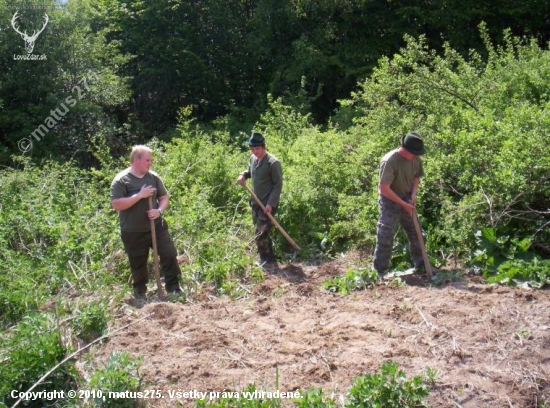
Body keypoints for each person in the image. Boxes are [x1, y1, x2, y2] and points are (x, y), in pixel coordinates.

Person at [111, 145, 182, 298]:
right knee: (138, 262)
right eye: (147, 160)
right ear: (136, 160)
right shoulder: (121, 180)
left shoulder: (153, 177)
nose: (150, 163)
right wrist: (139, 195)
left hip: (156, 227)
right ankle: (140, 292)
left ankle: (173, 287)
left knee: (169, 254)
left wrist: (159, 211)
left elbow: (163, 197)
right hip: (133, 231)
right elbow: (116, 204)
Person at [373, 132, 428, 278]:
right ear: (406, 149)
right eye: (415, 153)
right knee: (385, 234)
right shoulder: (389, 161)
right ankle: (379, 271)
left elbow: (416, 177)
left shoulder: (415, 160)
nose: (417, 156)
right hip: (389, 201)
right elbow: (384, 188)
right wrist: (403, 204)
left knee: (418, 234)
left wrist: (412, 196)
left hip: (406, 198)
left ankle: (422, 265)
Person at [237, 133, 283, 268]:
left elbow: (278, 185)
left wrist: (270, 204)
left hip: (267, 205)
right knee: (261, 234)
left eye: (257, 149)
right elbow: (250, 171)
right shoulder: (253, 159)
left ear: (263, 147)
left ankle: (269, 262)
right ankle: (266, 259)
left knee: (260, 233)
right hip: (256, 203)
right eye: (252, 149)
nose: (255, 152)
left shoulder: (273, 163)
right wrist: (243, 175)